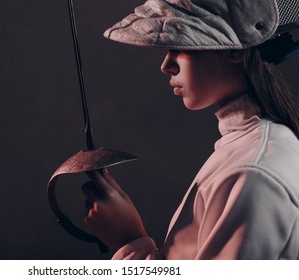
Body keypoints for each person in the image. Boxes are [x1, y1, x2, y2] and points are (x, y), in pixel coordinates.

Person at [81, 0, 299, 259]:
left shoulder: (251, 174)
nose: (166, 66)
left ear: (235, 51)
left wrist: (128, 242)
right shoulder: (251, 148)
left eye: (180, 44)